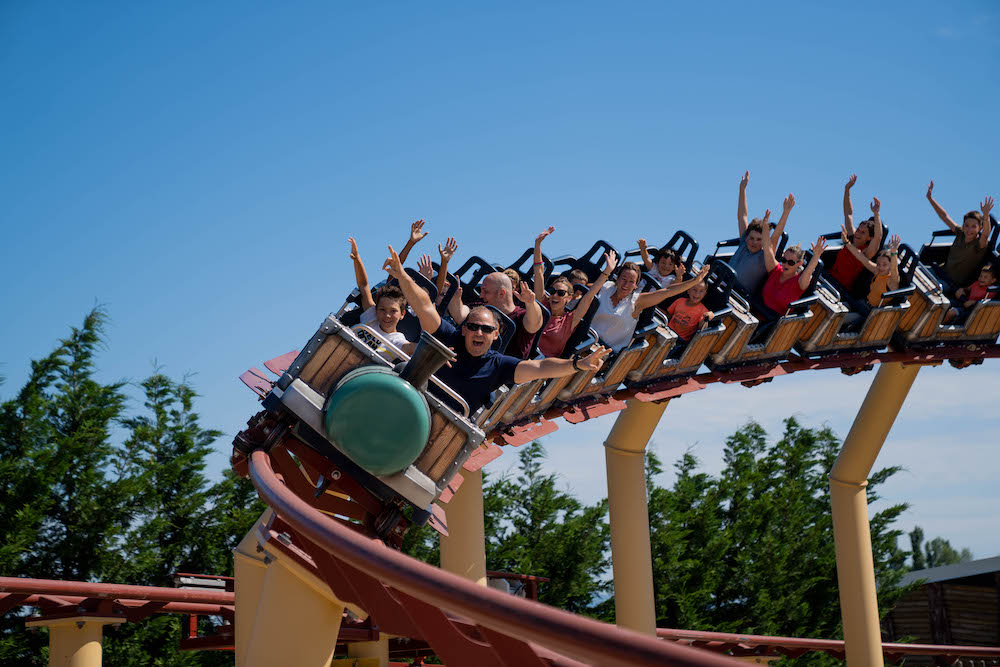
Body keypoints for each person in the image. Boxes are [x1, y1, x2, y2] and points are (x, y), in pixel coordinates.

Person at [383, 246, 611, 414]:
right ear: (464, 329)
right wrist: (403, 275)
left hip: (446, 428)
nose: (478, 333)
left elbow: (540, 366)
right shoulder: (451, 337)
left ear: (496, 334)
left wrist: (577, 364)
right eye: (472, 327)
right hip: (413, 410)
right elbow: (424, 306)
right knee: (401, 368)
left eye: (485, 329)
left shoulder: (498, 365)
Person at [591, 259, 711, 352]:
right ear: (617, 278)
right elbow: (585, 290)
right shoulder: (606, 287)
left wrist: (694, 281)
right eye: (624, 279)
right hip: (587, 337)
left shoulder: (637, 301)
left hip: (605, 350)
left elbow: (668, 291)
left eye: (631, 281)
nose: (626, 284)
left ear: (636, 285)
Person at [531, 227, 608, 358]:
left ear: (569, 298)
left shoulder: (570, 320)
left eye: (561, 293)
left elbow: (589, 296)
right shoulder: (543, 305)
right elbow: (538, 273)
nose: (555, 295)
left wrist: (607, 272)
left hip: (543, 367)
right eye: (552, 291)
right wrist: (537, 245)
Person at [447, 268, 543, 360]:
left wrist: (531, 303)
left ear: (502, 293)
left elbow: (535, 323)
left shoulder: (521, 316)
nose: (481, 295)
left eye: (485, 291)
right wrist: (455, 297)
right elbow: (460, 315)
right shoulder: (482, 308)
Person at [730, 171, 795, 294]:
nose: (754, 242)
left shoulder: (764, 256)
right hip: (722, 282)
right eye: (752, 238)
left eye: (759, 239)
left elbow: (775, 237)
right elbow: (742, 216)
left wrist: (786, 212)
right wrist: (742, 189)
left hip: (738, 295)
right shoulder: (744, 243)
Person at [348, 237, 414, 355]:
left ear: (402, 314)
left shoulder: (397, 340)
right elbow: (363, 285)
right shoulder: (371, 317)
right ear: (376, 309)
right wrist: (357, 258)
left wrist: (434, 352)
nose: (387, 315)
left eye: (393, 311)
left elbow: (412, 348)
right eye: (382, 309)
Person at [926, 182, 994, 291]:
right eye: (966, 226)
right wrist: (930, 198)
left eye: (973, 227)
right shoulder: (960, 233)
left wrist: (986, 216)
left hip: (951, 284)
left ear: (979, 228)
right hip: (940, 272)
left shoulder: (979, 245)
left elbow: (986, 234)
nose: (969, 230)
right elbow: (944, 216)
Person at [828, 175, 884, 293]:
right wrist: (847, 190)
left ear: (869, 237)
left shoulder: (866, 252)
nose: (857, 233)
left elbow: (878, 237)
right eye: (858, 230)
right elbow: (848, 213)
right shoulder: (852, 237)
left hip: (840, 289)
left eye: (863, 232)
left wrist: (876, 214)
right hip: (828, 278)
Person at [756, 235, 827, 320]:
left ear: (799, 263)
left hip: (772, 322)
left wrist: (816, 256)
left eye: (790, 262)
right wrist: (765, 226)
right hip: (755, 310)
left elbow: (809, 270)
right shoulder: (776, 269)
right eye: (784, 260)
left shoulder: (799, 282)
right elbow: (768, 248)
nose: (786, 264)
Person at [840, 232, 902, 309]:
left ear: (890, 265)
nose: (880, 267)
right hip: (862, 303)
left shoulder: (892, 281)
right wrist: (847, 242)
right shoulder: (877, 271)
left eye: (885, 265)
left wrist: (893, 252)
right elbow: (861, 257)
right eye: (878, 264)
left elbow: (894, 269)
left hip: (870, 312)